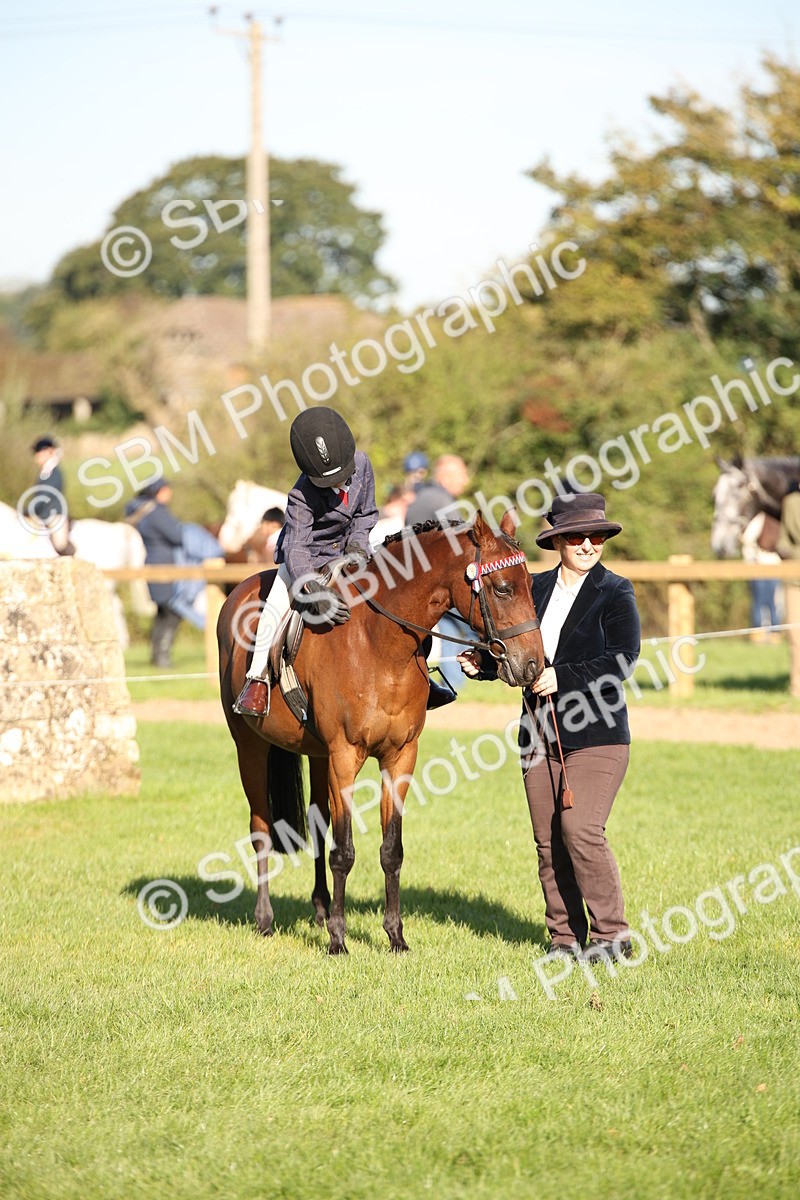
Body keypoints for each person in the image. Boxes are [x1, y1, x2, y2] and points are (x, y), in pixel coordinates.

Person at [460, 492, 641, 961]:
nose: (588, 544)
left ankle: (611, 936)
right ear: (558, 540)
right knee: (548, 842)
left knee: (580, 829)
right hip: (537, 735)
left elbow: (622, 659)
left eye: (596, 535)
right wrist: (480, 662)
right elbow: (513, 646)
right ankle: (564, 939)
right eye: (577, 536)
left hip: (597, 734)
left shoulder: (615, 591)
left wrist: (563, 676)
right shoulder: (533, 588)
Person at [405, 454, 471, 693]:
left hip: (417, 582)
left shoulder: (422, 497)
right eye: (462, 474)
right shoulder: (441, 500)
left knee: (450, 631)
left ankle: (452, 685)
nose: (466, 480)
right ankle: (457, 685)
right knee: (467, 626)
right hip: (438, 585)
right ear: (446, 476)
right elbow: (464, 545)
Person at [124, 478, 185, 668]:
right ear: (160, 491)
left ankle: (157, 656)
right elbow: (176, 535)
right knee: (172, 611)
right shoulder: (157, 512)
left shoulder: (145, 510)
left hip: (153, 561)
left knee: (162, 612)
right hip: (163, 564)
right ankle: (162, 657)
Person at [26, 436, 73, 554]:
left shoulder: (54, 471)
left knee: (59, 545)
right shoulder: (45, 471)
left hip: (54, 513)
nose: (36, 456)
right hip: (42, 512)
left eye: (39, 452)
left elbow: (46, 494)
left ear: (49, 452)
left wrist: (31, 509)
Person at [741, 511, 781, 642]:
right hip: (760, 564)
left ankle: (775, 634)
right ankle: (757, 634)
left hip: (775, 565)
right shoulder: (762, 518)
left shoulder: (780, 517)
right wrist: (752, 557)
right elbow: (747, 538)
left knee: (773, 602)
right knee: (759, 601)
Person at [777, 482, 800, 698]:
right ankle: (797, 687)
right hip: (795, 578)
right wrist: (784, 549)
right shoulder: (791, 503)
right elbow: (784, 537)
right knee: (795, 634)